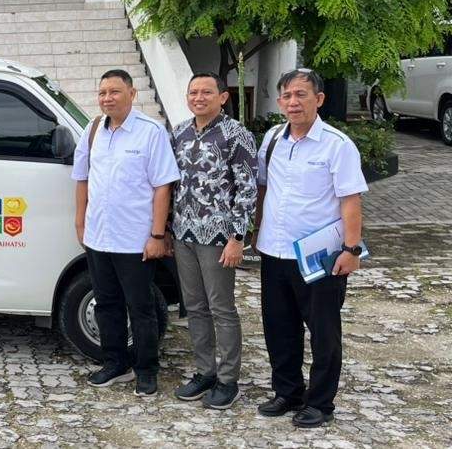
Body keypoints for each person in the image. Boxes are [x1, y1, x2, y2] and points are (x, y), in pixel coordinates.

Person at [254, 68, 367, 428]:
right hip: (274, 250)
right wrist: (256, 232)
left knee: (323, 332)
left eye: (301, 95)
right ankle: (288, 391)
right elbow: (262, 189)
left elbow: (350, 201)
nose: (292, 102)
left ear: (319, 99)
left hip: (319, 257)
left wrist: (351, 250)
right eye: (286, 95)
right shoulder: (272, 139)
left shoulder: (337, 144)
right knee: (278, 326)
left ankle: (320, 403)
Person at [72, 69, 180, 397]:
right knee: (106, 304)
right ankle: (115, 363)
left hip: (135, 239)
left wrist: (157, 235)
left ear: (132, 94)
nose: (107, 98)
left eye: (115, 91)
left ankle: (146, 369)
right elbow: (82, 178)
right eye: (103, 92)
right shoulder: (93, 131)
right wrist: (80, 221)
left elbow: (163, 186)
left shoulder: (150, 132)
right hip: (98, 236)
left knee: (141, 307)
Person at [169, 72, 258, 409]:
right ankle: (204, 371)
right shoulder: (178, 132)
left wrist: (238, 238)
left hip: (219, 237)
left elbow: (247, 189)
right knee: (194, 307)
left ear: (223, 97)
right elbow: (169, 184)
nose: (199, 97)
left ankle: (228, 379)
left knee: (221, 308)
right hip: (183, 234)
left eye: (207, 91)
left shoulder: (237, 135)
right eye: (193, 92)